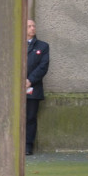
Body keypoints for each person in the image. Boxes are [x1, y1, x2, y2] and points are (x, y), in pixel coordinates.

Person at [25, 18, 50, 156]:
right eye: (29, 26)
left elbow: (43, 66)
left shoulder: (42, 46)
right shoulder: (16, 45)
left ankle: (28, 145)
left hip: (33, 88)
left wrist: (30, 80)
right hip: (16, 88)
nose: (32, 28)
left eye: (34, 26)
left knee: (30, 117)